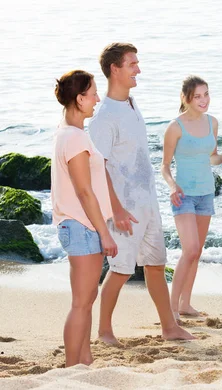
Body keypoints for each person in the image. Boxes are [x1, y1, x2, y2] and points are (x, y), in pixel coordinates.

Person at [89, 42, 193, 344]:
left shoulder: (131, 103)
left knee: (156, 264)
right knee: (121, 270)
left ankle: (169, 327)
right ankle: (104, 331)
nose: (139, 69)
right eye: (132, 64)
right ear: (115, 69)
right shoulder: (104, 116)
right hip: (124, 209)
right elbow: (99, 168)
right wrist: (117, 209)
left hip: (147, 202)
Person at [52, 70, 118, 366]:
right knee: (81, 303)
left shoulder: (69, 132)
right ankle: (70, 368)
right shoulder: (74, 138)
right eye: (93, 94)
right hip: (82, 226)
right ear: (80, 99)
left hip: (81, 225)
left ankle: (85, 361)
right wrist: (105, 233)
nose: (97, 99)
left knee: (87, 300)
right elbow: (84, 192)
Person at [161, 76, 222, 321]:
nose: (204, 100)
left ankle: (186, 304)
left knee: (197, 251)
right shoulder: (175, 127)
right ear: (186, 98)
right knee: (189, 249)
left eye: (206, 94)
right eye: (198, 96)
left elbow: (209, 157)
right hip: (183, 195)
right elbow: (164, 167)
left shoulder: (213, 123)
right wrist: (172, 186)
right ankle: (170, 309)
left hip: (206, 193)